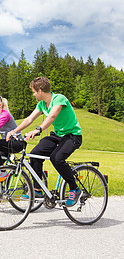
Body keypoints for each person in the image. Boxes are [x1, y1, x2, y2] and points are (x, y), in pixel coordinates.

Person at [6, 77, 83, 207]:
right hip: (58, 135)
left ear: (40, 90)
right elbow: (29, 119)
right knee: (35, 154)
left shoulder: (59, 98)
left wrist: (38, 129)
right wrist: (15, 130)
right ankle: (37, 190)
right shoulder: (41, 104)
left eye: (34, 92)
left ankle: (74, 188)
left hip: (72, 136)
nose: (33, 94)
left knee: (56, 158)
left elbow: (52, 116)